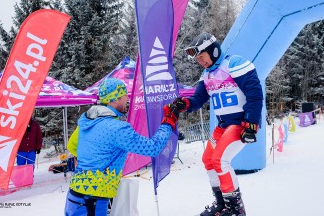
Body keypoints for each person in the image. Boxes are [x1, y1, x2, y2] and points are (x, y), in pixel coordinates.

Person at [174, 32, 263, 216]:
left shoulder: (234, 64)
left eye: (202, 57)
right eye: (197, 59)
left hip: (240, 123)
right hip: (223, 126)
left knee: (220, 160)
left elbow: (254, 92)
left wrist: (252, 122)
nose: (200, 61)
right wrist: (185, 104)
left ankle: (235, 209)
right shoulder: (206, 75)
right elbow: (198, 99)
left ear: (212, 51)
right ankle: (222, 203)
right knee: (208, 159)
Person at [64, 78, 180, 216]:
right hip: (92, 200)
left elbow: (72, 146)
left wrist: (98, 164)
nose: (127, 98)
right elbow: (153, 148)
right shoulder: (117, 128)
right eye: (125, 95)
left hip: (75, 194)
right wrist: (168, 122)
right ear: (114, 99)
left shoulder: (87, 121)